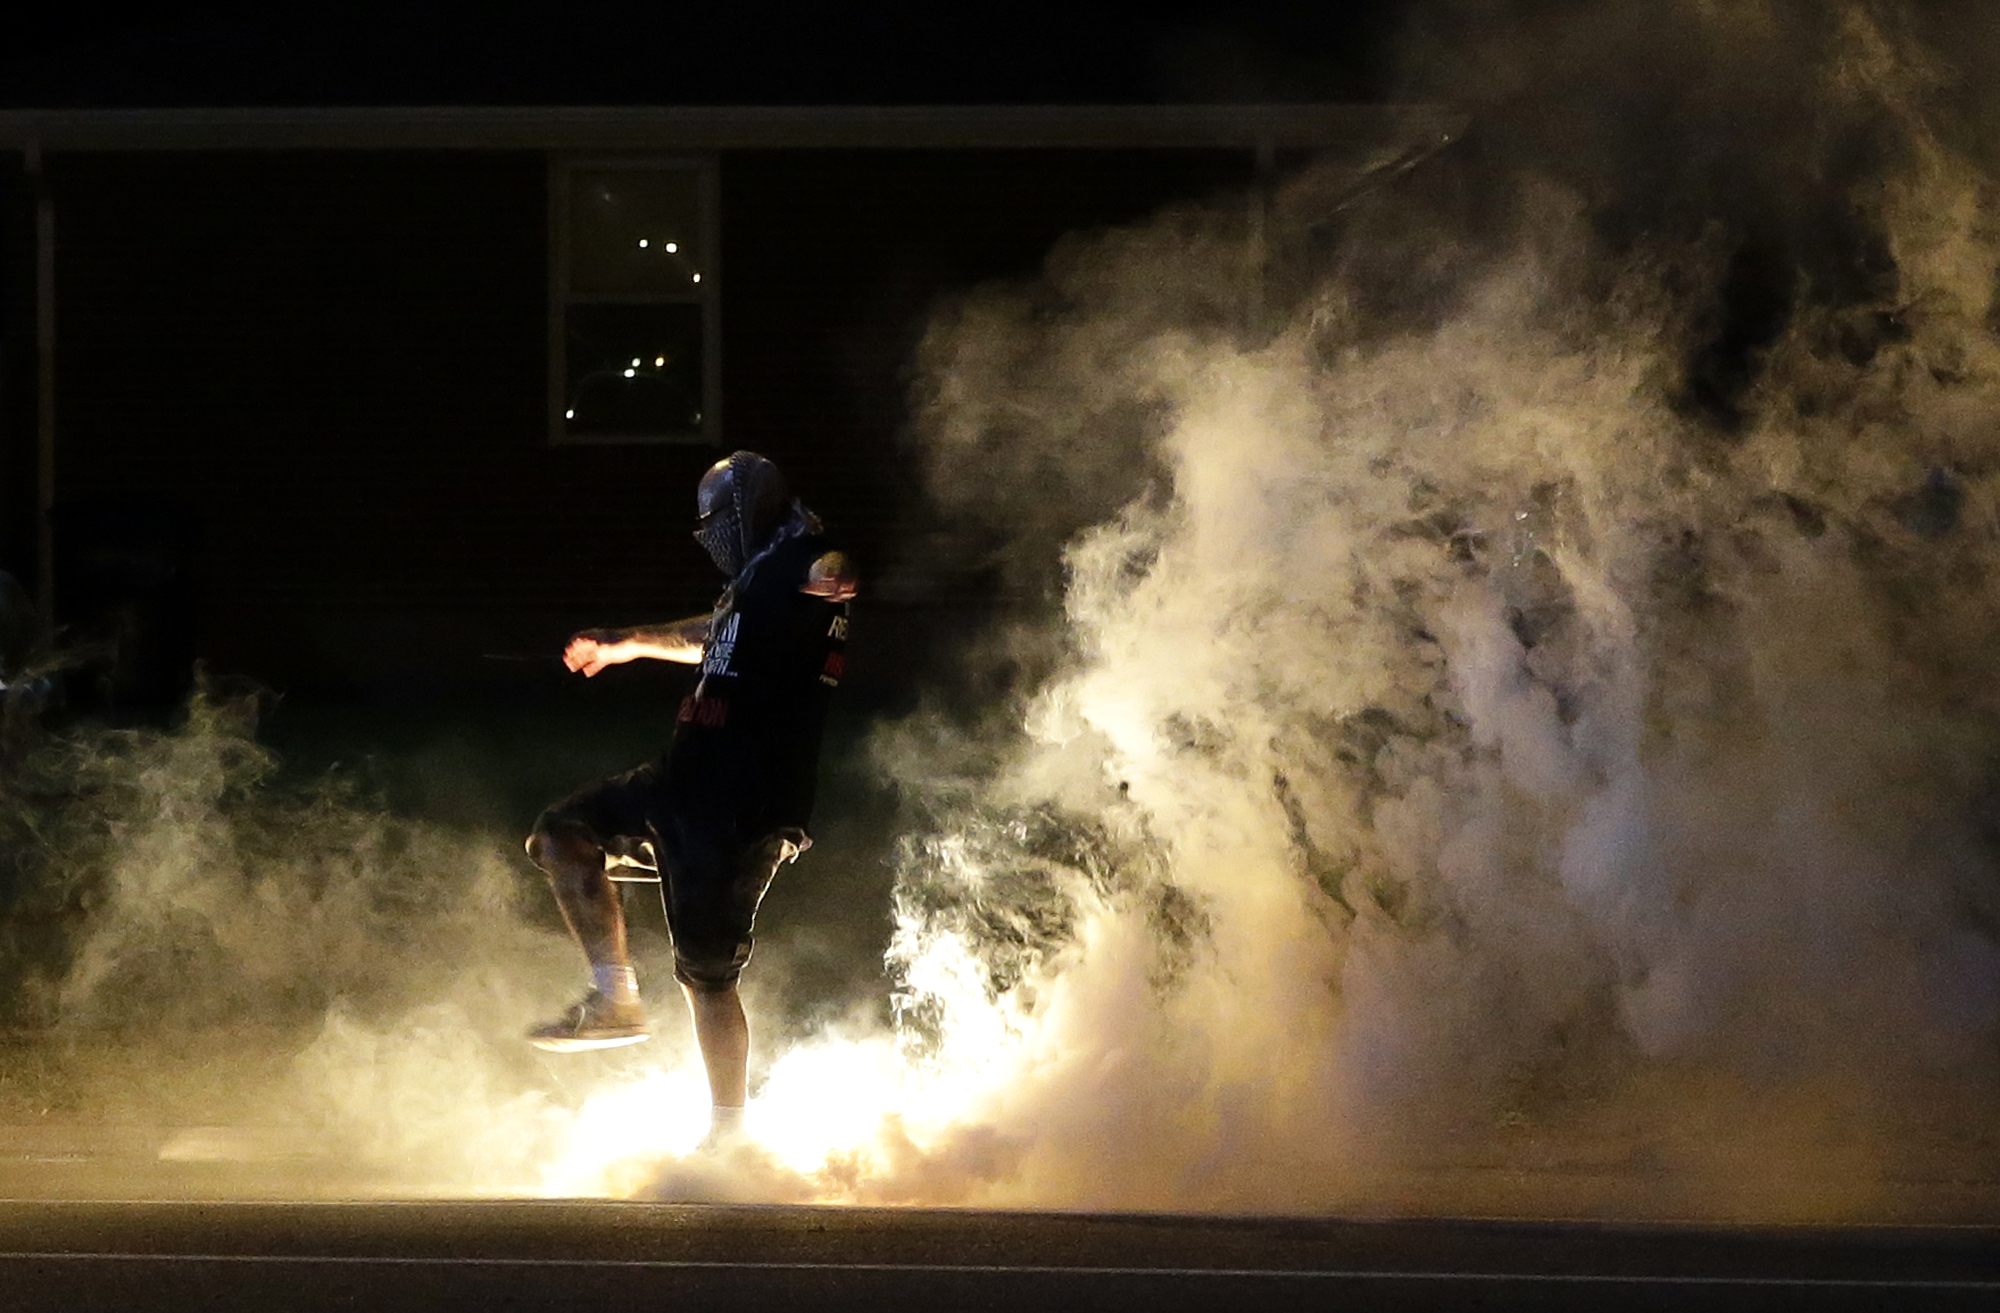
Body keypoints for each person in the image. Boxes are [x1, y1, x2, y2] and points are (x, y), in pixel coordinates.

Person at [525, 451, 855, 1143]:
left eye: (714, 519)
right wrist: (630, 644)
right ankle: (613, 997)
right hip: (685, 781)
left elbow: (833, 578)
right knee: (563, 834)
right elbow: (717, 639)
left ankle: (728, 1134)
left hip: (745, 801)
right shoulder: (758, 577)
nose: (706, 535)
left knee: (706, 974)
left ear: (745, 510)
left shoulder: (803, 557)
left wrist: (831, 577)